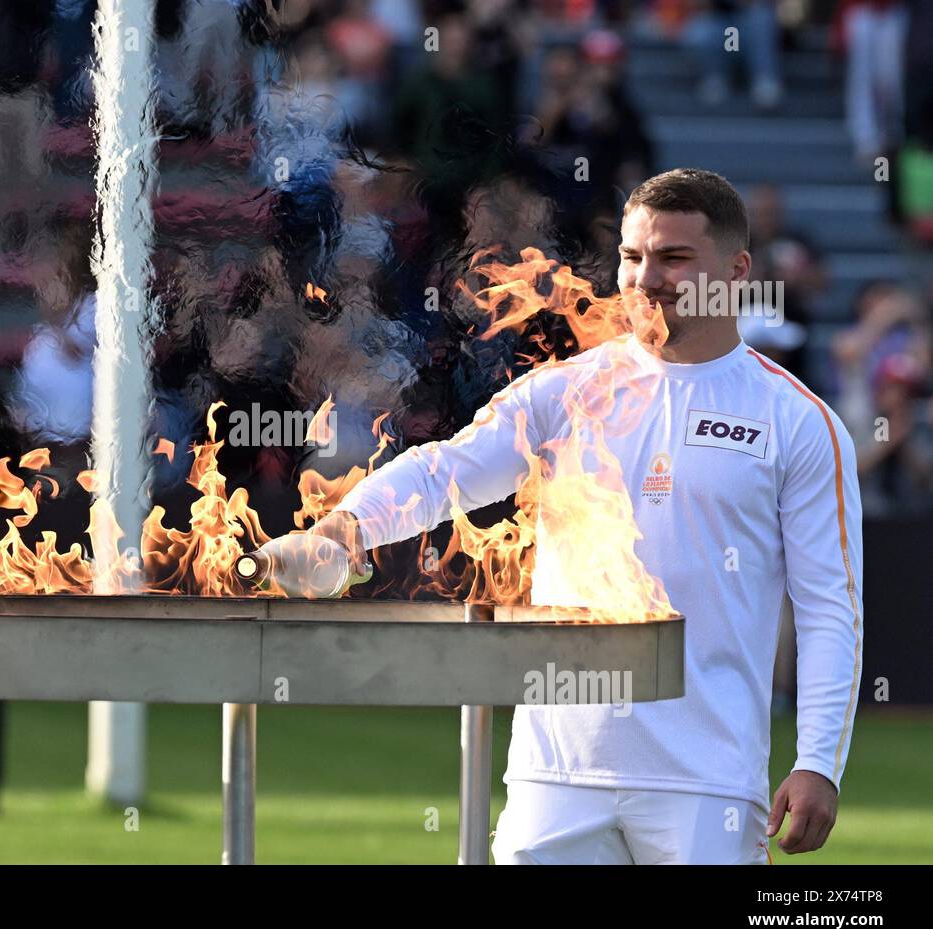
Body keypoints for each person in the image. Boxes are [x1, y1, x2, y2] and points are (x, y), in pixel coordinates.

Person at [265, 169, 864, 864]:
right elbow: (444, 472)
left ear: (736, 270)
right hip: (558, 772)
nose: (647, 278)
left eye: (674, 258)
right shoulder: (568, 391)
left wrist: (819, 760)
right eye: (634, 257)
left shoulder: (797, 420)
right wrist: (346, 527)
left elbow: (829, 609)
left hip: (709, 782)